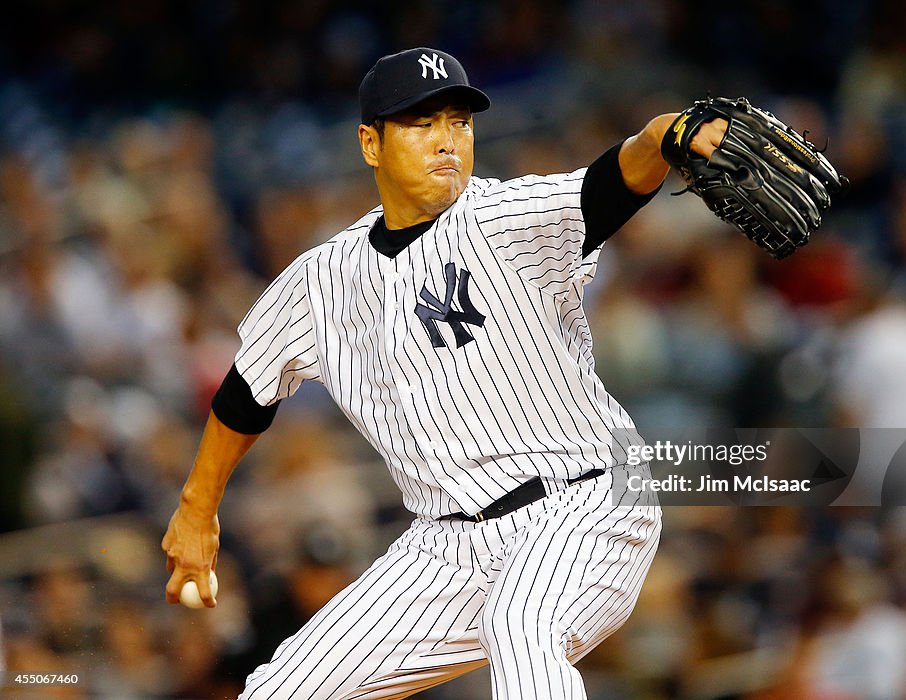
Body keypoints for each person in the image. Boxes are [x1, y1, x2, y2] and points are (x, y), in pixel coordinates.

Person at [162, 47, 725, 699]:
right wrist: (196, 510)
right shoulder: (319, 282)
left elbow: (609, 185)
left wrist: (659, 138)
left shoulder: (506, 217)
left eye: (459, 122)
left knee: (522, 630)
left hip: (587, 501)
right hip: (445, 545)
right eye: (421, 123)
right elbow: (244, 394)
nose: (446, 141)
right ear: (370, 144)